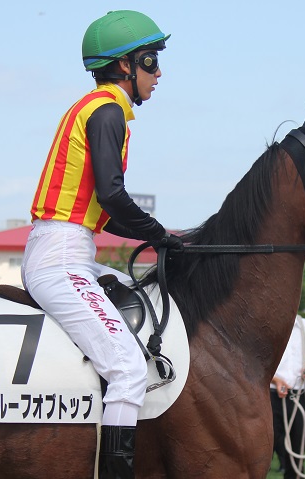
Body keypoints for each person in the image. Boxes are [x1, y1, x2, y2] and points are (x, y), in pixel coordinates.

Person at [21, 10, 182, 479]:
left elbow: (106, 213)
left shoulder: (99, 109)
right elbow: (113, 196)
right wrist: (159, 233)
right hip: (59, 256)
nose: (158, 73)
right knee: (129, 367)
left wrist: (165, 238)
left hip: (72, 250)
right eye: (152, 61)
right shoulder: (107, 111)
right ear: (128, 64)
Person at [270, 314, 305, 479]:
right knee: (266, 447)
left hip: (298, 395)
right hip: (271, 396)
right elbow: (258, 363)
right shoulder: (267, 324)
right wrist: (276, 380)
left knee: (298, 448)